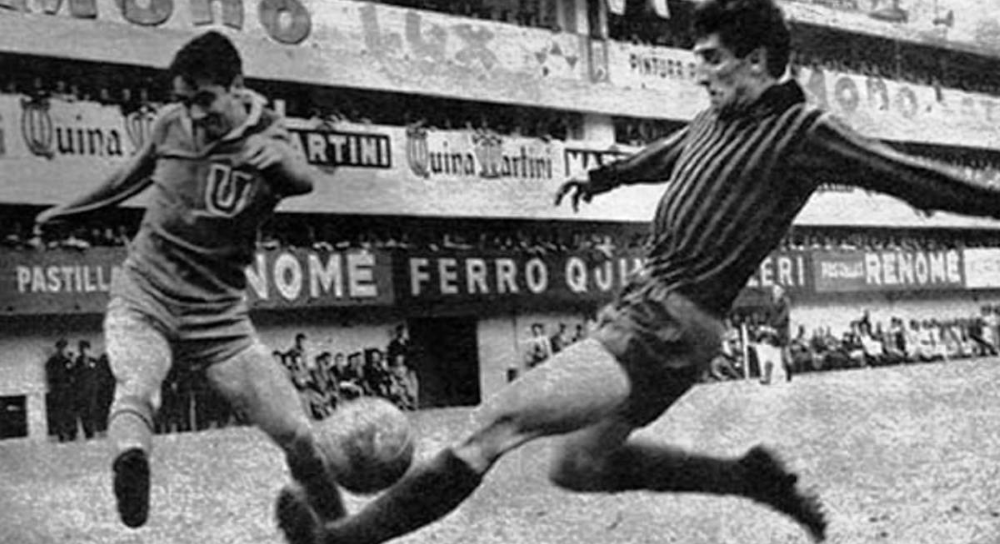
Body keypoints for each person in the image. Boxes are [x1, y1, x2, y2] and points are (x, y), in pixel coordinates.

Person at [278, 0, 1000, 542]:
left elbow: (908, 174)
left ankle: (343, 541)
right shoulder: (713, 120)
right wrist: (606, 176)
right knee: (577, 467)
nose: (701, 71)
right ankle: (746, 475)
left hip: (671, 322)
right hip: (647, 308)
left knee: (496, 422)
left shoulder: (803, 131)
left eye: (712, 57)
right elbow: (666, 154)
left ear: (757, 60)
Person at [34, 31, 343, 530]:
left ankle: (341, 528)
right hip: (145, 295)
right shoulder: (170, 124)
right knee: (137, 386)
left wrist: (277, 163)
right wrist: (68, 210)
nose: (194, 113)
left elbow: (301, 178)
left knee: (298, 434)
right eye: (184, 100)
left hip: (218, 317)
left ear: (237, 86)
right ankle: (131, 464)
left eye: (204, 100)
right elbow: (128, 177)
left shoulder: (271, 138)